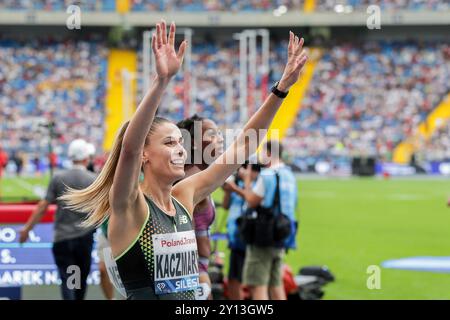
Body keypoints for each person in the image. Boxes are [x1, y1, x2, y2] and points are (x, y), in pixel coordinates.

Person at [61, 20, 307, 300]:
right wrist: (161, 81)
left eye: (181, 142)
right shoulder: (130, 205)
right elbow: (128, 150)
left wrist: (281, 89)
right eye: (169, 143)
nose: (180, 149)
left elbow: (243, 146)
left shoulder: (184, 196)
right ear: (144, 153)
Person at [19, 139, 97, 300]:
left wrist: (27, 229)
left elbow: (42, 207)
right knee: (79, 282)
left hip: (63, 238)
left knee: (69, 281)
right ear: (86, 157)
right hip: (84, 237)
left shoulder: (58, 177)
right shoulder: (93, 179)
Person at [233, 140, 298, 300]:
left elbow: (251, 201)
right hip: (283, 232)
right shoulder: (289, 175)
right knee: (276, 285)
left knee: (257, 285)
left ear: (269, 153)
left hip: (264, 234)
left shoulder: (267, 175)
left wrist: (246, 180)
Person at [177, 114, 224, 299]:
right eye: (212, 134)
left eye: (219, 133)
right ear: (195, 143)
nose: (220, 139)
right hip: (192, 274)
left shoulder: (200, 175)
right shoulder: (191, 180)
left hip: (199, 270)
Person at [222, 161, 262, 300]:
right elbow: (226, 206)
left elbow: (251, 200)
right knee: (234, 279)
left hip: (251, 238)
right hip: (236, 237)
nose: (240, 171)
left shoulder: (258, 185)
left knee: (254, 282)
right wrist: (228, 191)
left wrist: (236, 188)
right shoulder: (237, 184)